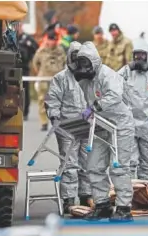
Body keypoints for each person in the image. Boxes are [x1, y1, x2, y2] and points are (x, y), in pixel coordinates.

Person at [75, 42, 135, 221]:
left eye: (86, 64)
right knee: (93, 165)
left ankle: (124, 207)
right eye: (81, 64)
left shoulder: (108, 75)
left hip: (120, 125)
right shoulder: (85, 81)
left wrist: (94, 107)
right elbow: (87, 99)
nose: (84, 68)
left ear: (94, 62)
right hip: (100, 124)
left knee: (119, 166)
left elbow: (114, 96)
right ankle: (102, 204)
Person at [44, 42, 91, 213]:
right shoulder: (61, 78)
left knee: (88, 163)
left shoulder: (90, 76)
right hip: (67, 127)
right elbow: (52, 101)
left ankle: (86, 197)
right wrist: (55, 117)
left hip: (87, 125)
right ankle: (69, 200)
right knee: (70, 164)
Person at [118, 39, 148, 181]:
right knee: (129, 162)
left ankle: (147, 193)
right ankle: (129, 193)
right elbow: (113, 88)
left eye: (142, 55)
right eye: (136, 55)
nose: (139, 58)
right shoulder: (126, 72)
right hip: (129, 124)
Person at [32, 31, 66, 131]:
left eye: (55, 40)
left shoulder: (60, 51)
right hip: (44, 79)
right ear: (48, 40)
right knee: (43, 101)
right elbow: (35, 64)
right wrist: (41, 73)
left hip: (57, 80)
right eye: (51, 40)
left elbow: (65, 63)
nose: (53, 42)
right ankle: (44, 122)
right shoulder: (41, 51)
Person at [16, 23, 38, 121]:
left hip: (24, 68)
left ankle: (25, 112)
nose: (18, 28)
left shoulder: (27, 39)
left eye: (19, 26)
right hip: (12, 67)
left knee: (25, 90)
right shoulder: (10, 38)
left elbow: (36, 49)